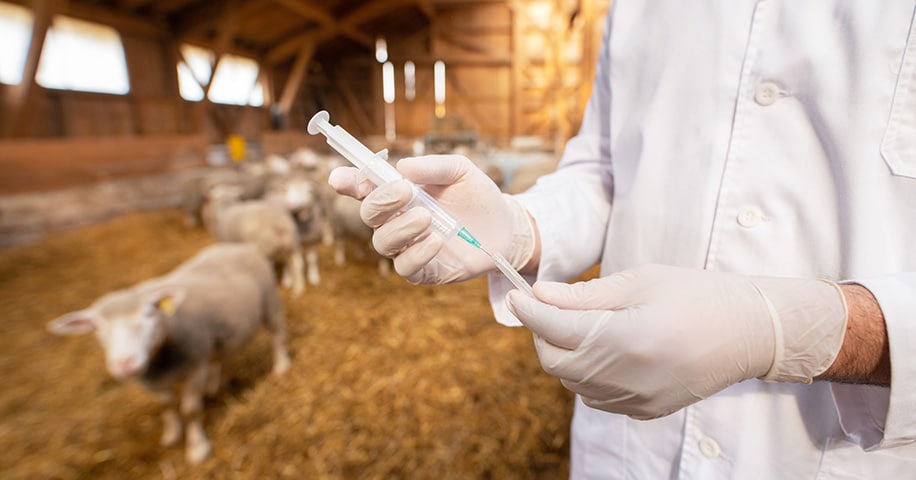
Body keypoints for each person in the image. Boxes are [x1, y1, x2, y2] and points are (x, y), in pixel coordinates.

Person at [329, 1, 916, 477]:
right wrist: (519, 227)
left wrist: (795, 330)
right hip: (629, 447)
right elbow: (606, 169)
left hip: (826, 450)